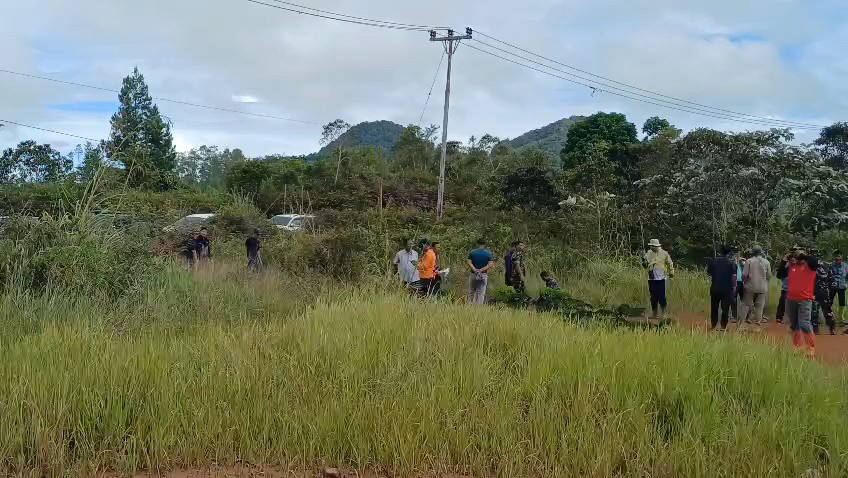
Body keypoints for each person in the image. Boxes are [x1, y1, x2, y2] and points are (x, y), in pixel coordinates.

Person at [785, 249, 818, 358]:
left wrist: (804, 256)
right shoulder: (792, 266)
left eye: (798, 256)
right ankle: (797, 347)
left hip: (805, 299)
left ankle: (810, 348)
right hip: (791, 299)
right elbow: (780, 274)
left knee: (804, 324)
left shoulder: (810, 266)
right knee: (795, 325)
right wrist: (784, 259)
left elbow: (814, 261)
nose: (796, 257)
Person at [738, 245, 772, 329]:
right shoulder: (766, 262)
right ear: (761, 253)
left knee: (746, 304)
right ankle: (757, 324)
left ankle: (742, 323)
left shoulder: (749, 261)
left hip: (750, 286)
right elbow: (769, 276)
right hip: (762, 287)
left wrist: (744, 281)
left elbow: (745, 274)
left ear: (753, 252)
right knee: (759, 306)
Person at [642, 239, 674, 320]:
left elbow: (670, 263)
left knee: (661, 297)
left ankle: (663, 314)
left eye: (653, 246)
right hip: (651, 278)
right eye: (651, 246)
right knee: (653, 297)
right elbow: (645, 265)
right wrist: (644, 263)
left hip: (660, 278)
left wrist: (671, 273)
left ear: (657, 246)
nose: (652, 248)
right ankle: (654, 313)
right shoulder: (648, 253)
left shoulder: (664, 253)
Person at [707, 246, 736, 332]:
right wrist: (734, 287)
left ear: (720, 251)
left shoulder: (714, 261)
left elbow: (709, 272)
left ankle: (713, 324)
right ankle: (723, 326)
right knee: (725, 308)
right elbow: (734, 276)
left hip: (715, 287)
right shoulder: (731, 263)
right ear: (728, 253)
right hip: (726, 289)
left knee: (714, 307)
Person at [467, 239, 495, 304]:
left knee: (471, 291)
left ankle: (470, 306)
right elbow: (490, 264)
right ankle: (479, 308)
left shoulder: (472, 252)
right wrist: (481, 270)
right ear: (485, 245)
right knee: (481, 293)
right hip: (483, 274)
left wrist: (475, 269)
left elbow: (469, 262)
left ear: (477, 244)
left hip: (473, 274)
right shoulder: (489, 253)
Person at [775, 247, 797, 324]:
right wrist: (784, 260)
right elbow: (779, 275)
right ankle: (779, 317)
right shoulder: (787, 267)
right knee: (782, 300)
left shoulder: (801, 266)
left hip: (797, 289)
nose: (793, 258)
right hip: (786, 288)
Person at [830, 250, 848, 325]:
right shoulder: (831, 266)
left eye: (839, 259)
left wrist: (846, 283)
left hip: (842, 286)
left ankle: (841, 318)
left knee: (842, 303)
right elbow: (829, 276)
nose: (838, 261)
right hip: (833, 286)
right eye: (836, 259)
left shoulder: (846, 266)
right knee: (829, 302)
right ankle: (829, 317)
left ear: (842, 258)